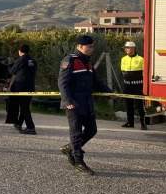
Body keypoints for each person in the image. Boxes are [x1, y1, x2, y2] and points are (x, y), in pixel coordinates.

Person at [58, 35, 115, 175]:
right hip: (74, 103)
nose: (92, 49)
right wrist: (68, 101)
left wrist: (110, 93)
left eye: (92, 46)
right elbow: (62, 83)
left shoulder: (88, 63)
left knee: (92, 130)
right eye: (89, 47)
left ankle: (70, 148)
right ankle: (78, 160)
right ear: (80, 47)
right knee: (76, 133)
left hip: (87, 102)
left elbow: (97, 82)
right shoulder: (70, 60)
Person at [5, 44, 37, 134]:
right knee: (25, 106)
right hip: (30, 87)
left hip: (20, 87)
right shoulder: (33, 61)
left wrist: (9, 64)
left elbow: (12, 71)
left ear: (19, 51)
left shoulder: (20, 60)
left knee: (23, 108)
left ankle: (30, 127)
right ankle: (19, 123)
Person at [121, 41, 147, 130]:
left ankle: (143, 123)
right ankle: (130, 122)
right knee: (129, 105)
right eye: (125, 48)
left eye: (127, 48)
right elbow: (123, 71)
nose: (126, 50)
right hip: (127, 85)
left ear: (133, 48)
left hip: (138, 86)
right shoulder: (123, 59)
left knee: (140, 106)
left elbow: (144, 73)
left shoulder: (141, 59)